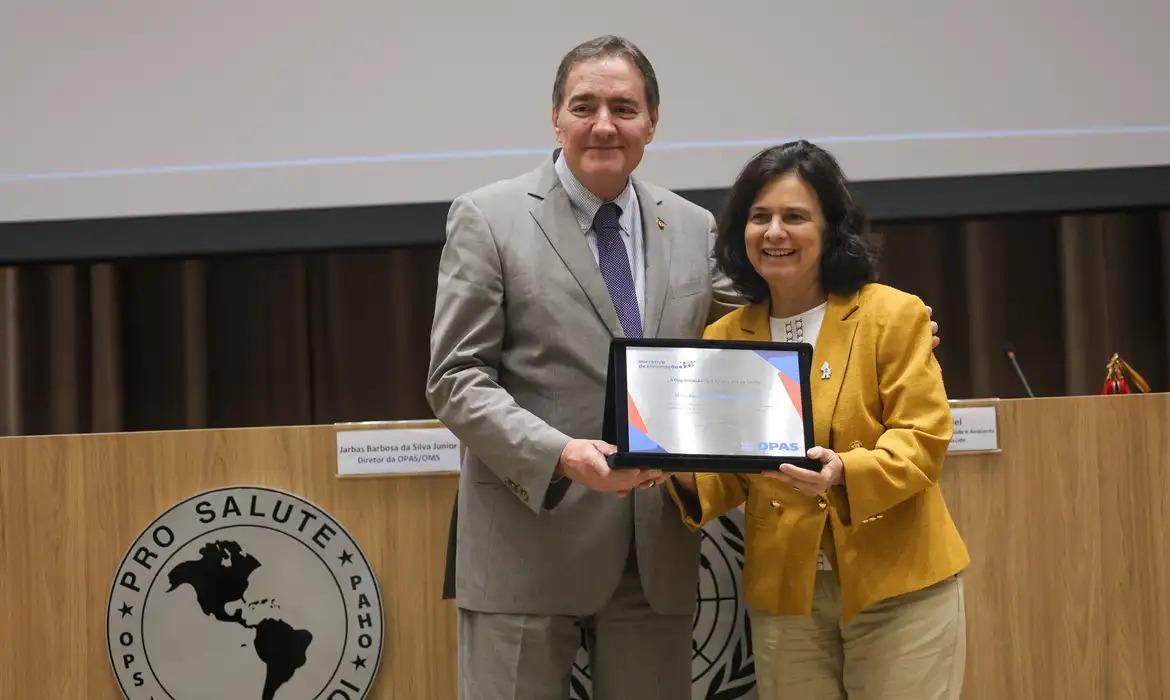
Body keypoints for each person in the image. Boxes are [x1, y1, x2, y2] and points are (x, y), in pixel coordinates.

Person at [426, 35, 741, 699]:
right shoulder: (489, 217)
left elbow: (768, 317)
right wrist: (563, 455)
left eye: (624, 108)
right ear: (555, 118)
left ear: (652, 121)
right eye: (585, 106)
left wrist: (883, 326)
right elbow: (455, 379)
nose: (604, 125)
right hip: (527, 540)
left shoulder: (692, 227)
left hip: (652, 551)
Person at [669, 140, 969, 699]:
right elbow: (728, 473)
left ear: (831, 228)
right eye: (760, 217)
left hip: (899, 588)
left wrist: (842, 472)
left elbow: (924, 440)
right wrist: (668, 464)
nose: (774, 232)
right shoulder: (724, 337)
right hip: (788, 598)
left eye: (795, 216)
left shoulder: (893, 314)